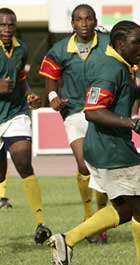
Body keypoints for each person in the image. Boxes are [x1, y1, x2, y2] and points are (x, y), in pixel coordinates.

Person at [48, 20, 140, 265]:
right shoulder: (110, 68)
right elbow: (93, 111)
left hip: (106, 148)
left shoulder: (120, 64)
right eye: (137, 42)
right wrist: (134, 123)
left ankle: (67, 240)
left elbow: (124, 94)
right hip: (112, 150)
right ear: (120, 43)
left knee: (126, 209)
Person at [0, 7, 51, 244]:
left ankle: (41, 224)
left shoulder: (21, 48)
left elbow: (21, 80)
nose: (6, 29)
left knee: (24, 161)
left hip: (16, 114)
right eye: (2, 25)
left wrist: (29, 96)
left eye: (10, 25)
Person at [38, 4, 109, 243]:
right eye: (79, 20)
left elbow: (124, 70)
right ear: (73, 24)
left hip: (102, 112)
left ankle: (101, 217)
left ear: (95, 20)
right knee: (84, 166)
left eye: (88, 19)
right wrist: (52, 98)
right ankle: (90, 219)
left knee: (102, 167)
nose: (84, 24)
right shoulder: (60, 49)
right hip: (74, 113)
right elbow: (50, 78)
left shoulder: (108, 44)